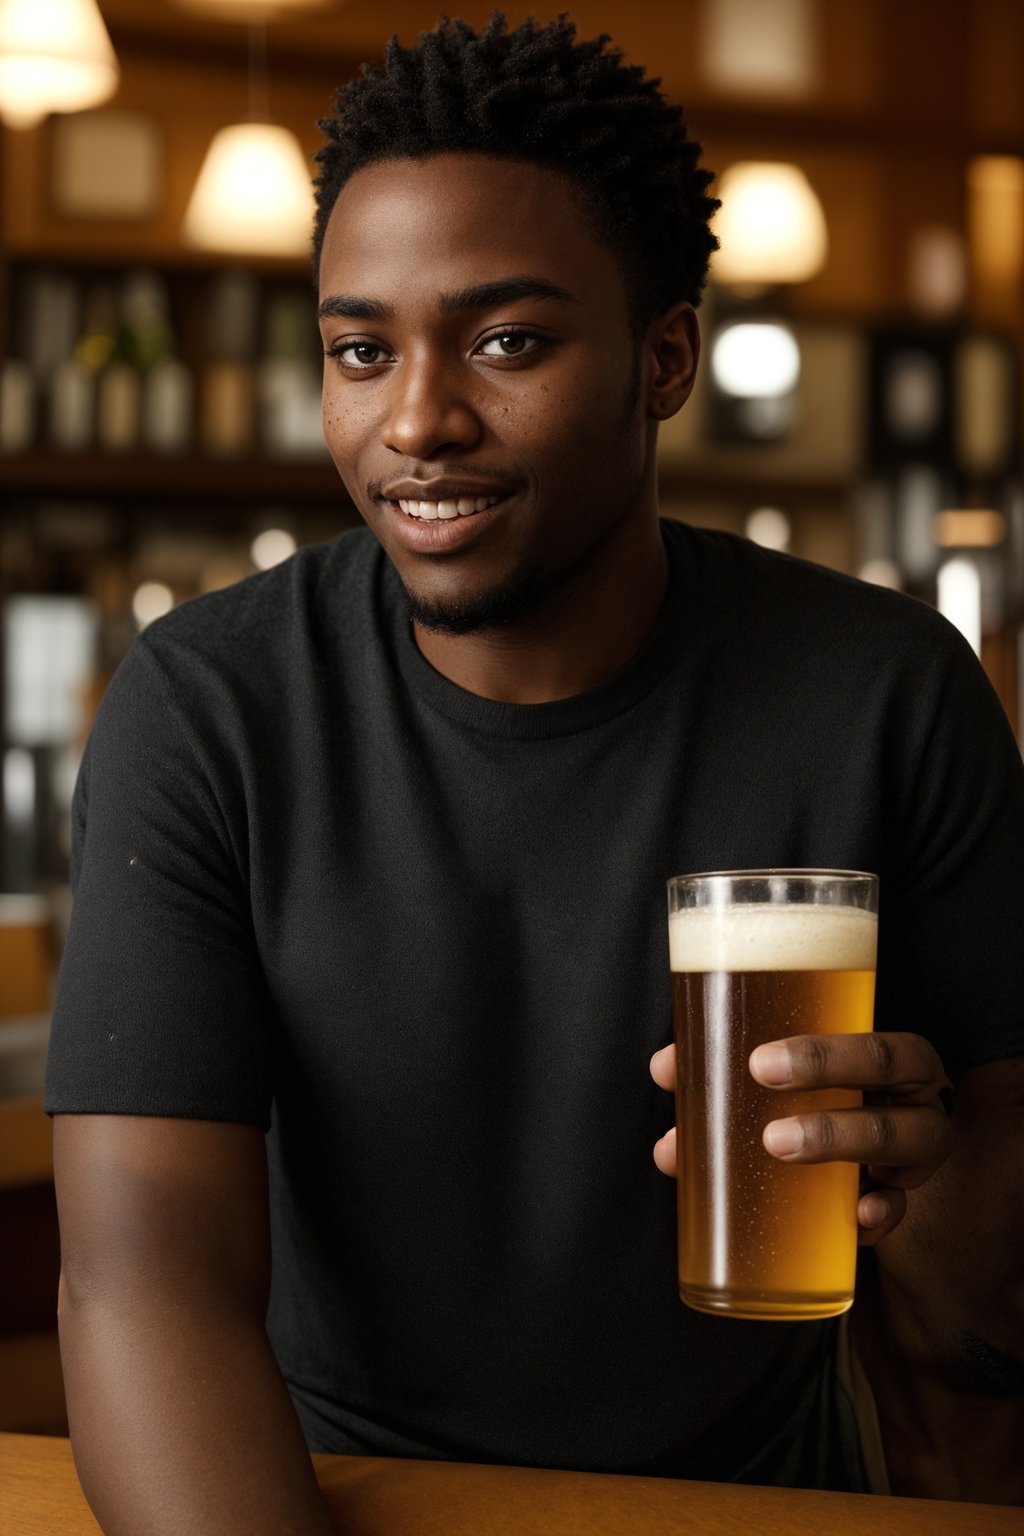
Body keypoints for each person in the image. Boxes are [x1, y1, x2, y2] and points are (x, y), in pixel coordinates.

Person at [45, 14, 1023, 1532]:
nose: (419, 420)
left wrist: (934, 1175)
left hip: (761, 1509)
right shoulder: (210, 702)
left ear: (665, 357)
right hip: (338, 1494)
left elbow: (984, 1332)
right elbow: (139, 1272)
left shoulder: (885, 693)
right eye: (362, 350)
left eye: (508, 342)